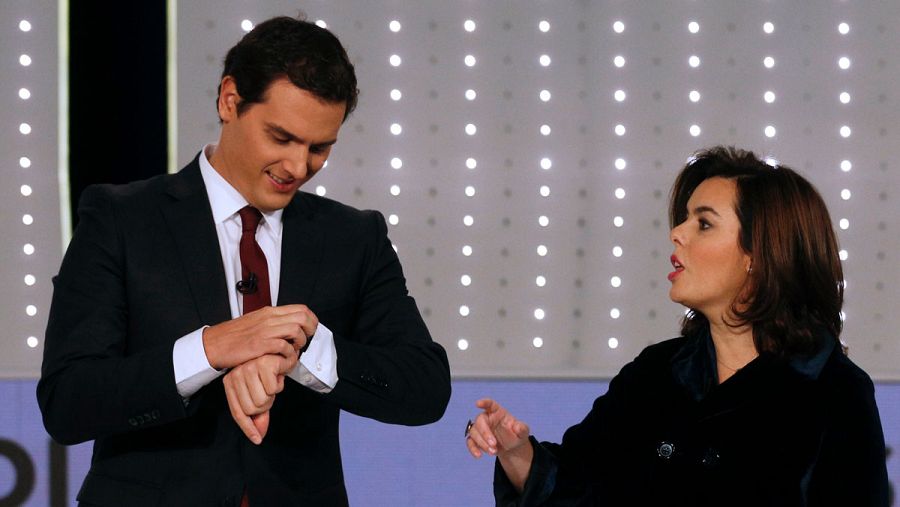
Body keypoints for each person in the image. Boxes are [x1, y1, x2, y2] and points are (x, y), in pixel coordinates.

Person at [38, 16, 450, 506]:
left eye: (320, 148)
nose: (298, 167)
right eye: (281, 138)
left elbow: (425, 388)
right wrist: (212, 349)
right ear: (229, 100)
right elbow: (68, 401)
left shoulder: (354, 237)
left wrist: (303, 349)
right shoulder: (120, 218)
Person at [466, 146, 888, 506]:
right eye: (684, 219)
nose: (677, 234)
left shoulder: (834, 392)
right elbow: (578, 486)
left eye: (703, 223)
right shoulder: (654, 374)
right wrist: (515, 452)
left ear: (757, 255)